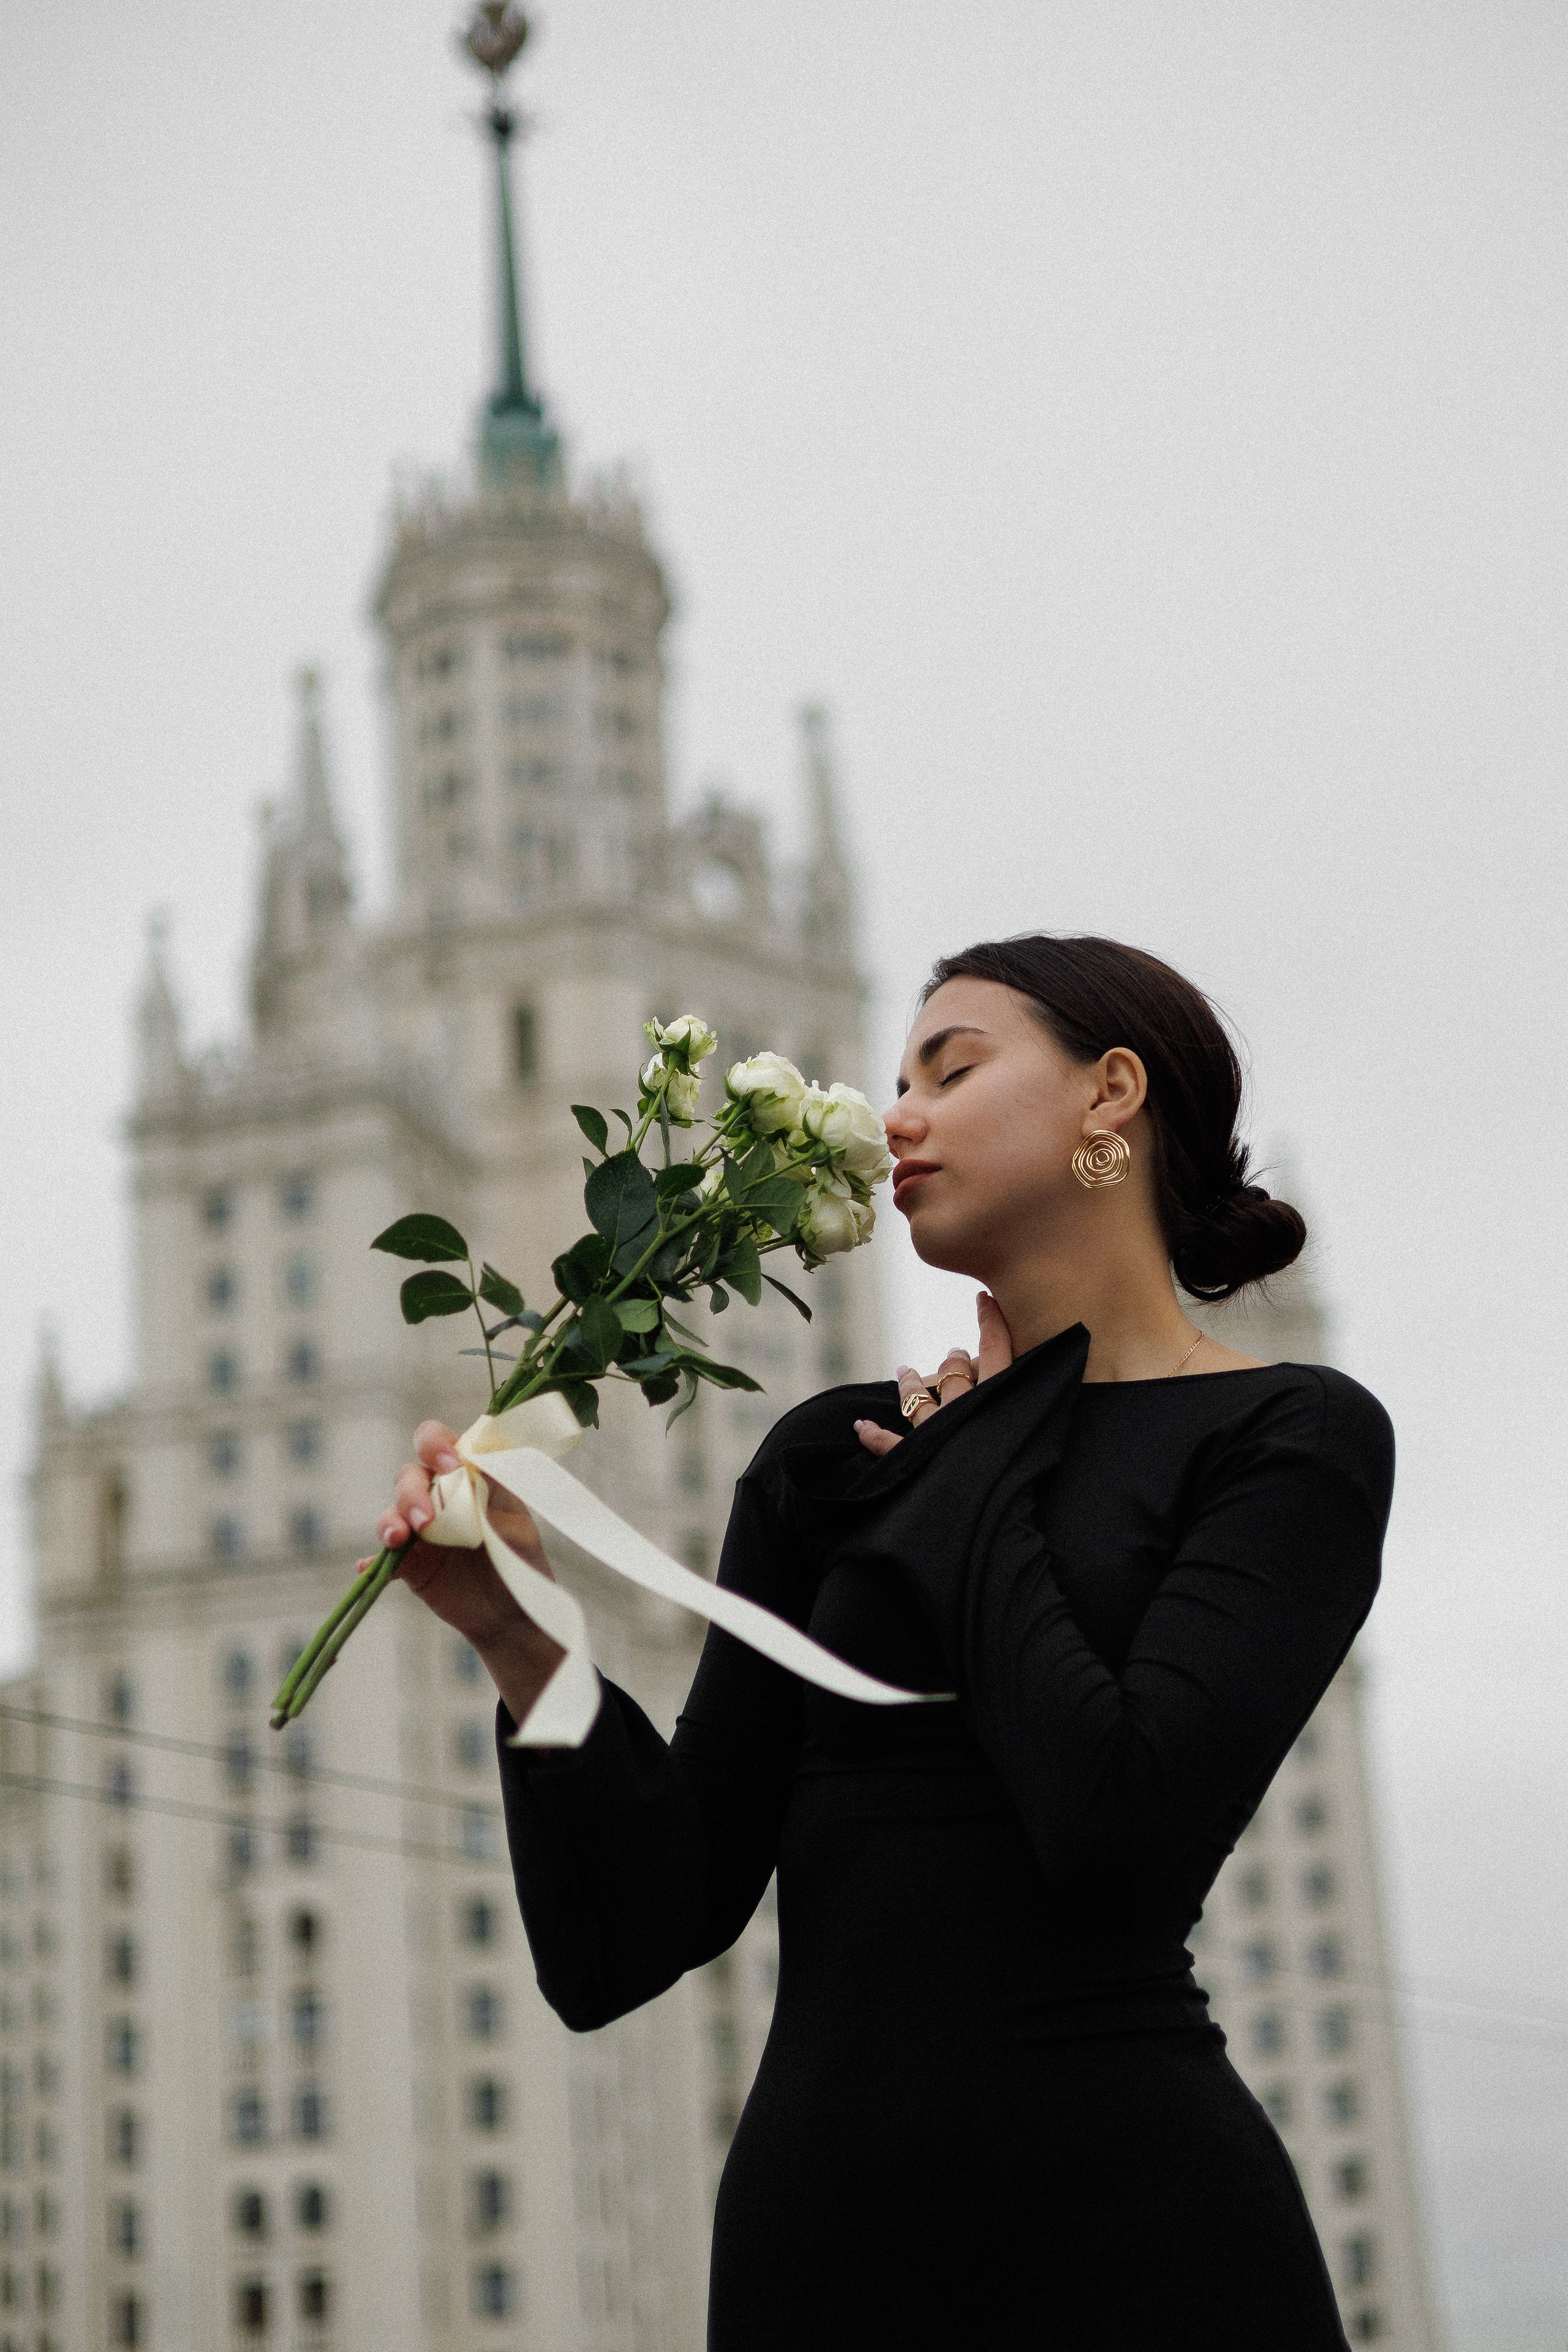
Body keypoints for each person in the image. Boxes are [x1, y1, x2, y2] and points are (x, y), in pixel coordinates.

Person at [371, 933, 1393, 2351]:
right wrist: (517, 1630)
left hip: (1138, 2236)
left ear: (1110, 1094)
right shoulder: (829, 1457)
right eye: (892, 1077)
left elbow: (1117, 1823)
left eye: (950, 1069)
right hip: (824, 2248)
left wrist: (974, 1465)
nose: (894, 1114)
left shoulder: (1288, 1437)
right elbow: (640, 1927)